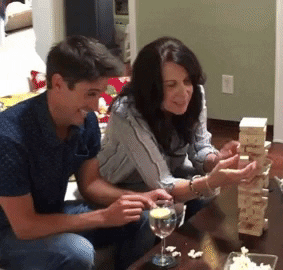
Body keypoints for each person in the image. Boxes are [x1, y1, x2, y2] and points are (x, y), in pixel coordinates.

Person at [0, 35, 172, 270]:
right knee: (77, 251)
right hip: (8, 230)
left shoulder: (85, 121)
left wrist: (135, 198)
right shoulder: (9, 137)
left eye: (100, 93)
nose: (96, 105)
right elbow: (25, 225)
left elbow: (90, 184)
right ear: (58, 83)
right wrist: (102, 217)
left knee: (141, 218)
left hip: (51, 211)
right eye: (90, 93)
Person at [97, 36, 259, 219]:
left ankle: (192, 242)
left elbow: (200, 148)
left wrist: (217, 159)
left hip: (168, 167)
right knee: (169, 210)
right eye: (171, 85)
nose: (184, 92)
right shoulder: (126, 114)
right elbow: (163, 184)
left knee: (208, 192)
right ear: (151, 88)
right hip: (122, 182)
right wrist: (209, 182)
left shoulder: (195, 92)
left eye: (187, 81)